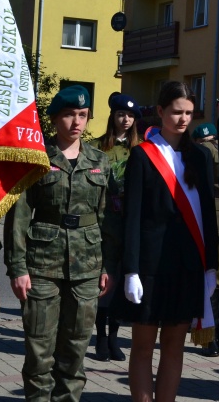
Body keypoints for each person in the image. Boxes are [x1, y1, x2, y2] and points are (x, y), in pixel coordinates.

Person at [4, 85, 111, 401]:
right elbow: (19, 216)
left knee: (76, 349)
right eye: (68, 115)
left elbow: (107, 219)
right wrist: (17, 267)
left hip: (87, 265)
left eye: (82, 115)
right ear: (53, 118)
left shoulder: (100, 161)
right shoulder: (36, 159)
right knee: (39, 349)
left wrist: (107, 266)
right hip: (42, 264)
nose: (76, 122)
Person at [116, 81, 218, 402]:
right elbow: (132, 217)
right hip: (150, 267)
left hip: (188, 266)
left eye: (189, 112)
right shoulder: (142, 156)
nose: (183, 119)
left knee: (174, 347)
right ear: (160, 111)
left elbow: (209, 215)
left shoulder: (201, 157)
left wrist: (211, 266)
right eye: (176, 112)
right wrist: (130, 269)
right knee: (143, 346)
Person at [90, 92, 141, 362]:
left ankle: (114, 337)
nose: (125, 120)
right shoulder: (96, 147)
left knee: (122, 280)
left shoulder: (141, 150)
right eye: (121, 114)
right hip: (103, 222)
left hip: (129, 223)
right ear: (113, 117)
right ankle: (100, 336)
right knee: (105, 280)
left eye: (130, 116)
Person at [191, 121, 219, 356]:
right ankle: (218, 333)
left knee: (216, 280)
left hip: (215, 217)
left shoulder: (203, 151)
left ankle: (212, 334)